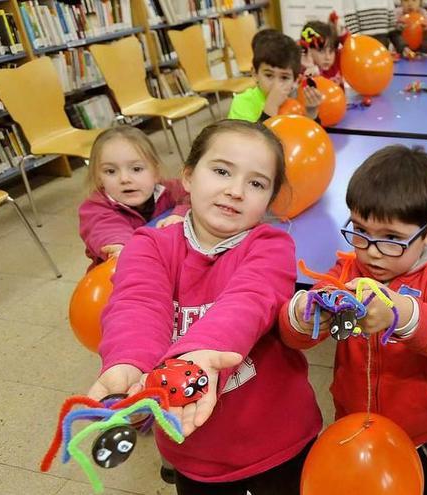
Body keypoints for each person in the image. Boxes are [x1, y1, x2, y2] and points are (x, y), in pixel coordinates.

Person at [88, 120, 322, 495]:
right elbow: (138, 304)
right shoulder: (149, 245)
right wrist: (129, 363)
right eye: (221, 171)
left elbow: (249, 299)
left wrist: (202, 353)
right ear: (189, 176)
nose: (235, 191)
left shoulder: (271, 246)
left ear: (269, 199)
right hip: (193, 449)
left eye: (257, 183)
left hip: (278, 441)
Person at [278, 145, 427, 495]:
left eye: (392, 238)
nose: (373, 250)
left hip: (422, 433)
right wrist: (305, 314)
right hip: (352, 425)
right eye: (360, 230)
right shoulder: (345, 269)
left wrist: (400, 313)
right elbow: (294, 337)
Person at [78, 126, 187, 269]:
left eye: (136, 169)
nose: (124, 179)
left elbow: (195, 194)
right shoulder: (95, 207)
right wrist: (121, 246)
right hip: (120, 275)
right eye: (110, 171)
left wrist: (180, 214)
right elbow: (105, 228)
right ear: (99, 178)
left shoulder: (168, 189)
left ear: (155, 172)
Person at [228, 29, 323, 123]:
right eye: (269, 75)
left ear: (295, 80)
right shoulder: (242, 103)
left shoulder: (298, 100)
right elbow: (248, 138)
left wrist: (311, 113)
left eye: (284, 77)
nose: (276, 85)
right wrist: (270, 108)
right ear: (255, 74)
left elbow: (308, 136)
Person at [343, 0, 414, 57]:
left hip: (383, 58)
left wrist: (403, 48)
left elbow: (392, 31)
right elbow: (354, 36)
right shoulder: (349, 1)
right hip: (363, 59)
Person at [299, 20, 344, 87]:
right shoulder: (305, 71)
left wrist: (341, 34)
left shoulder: (337, 59)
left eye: (331, 51)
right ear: (308, 50)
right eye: (321, 51)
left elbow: (350, 48)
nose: (328, 57)